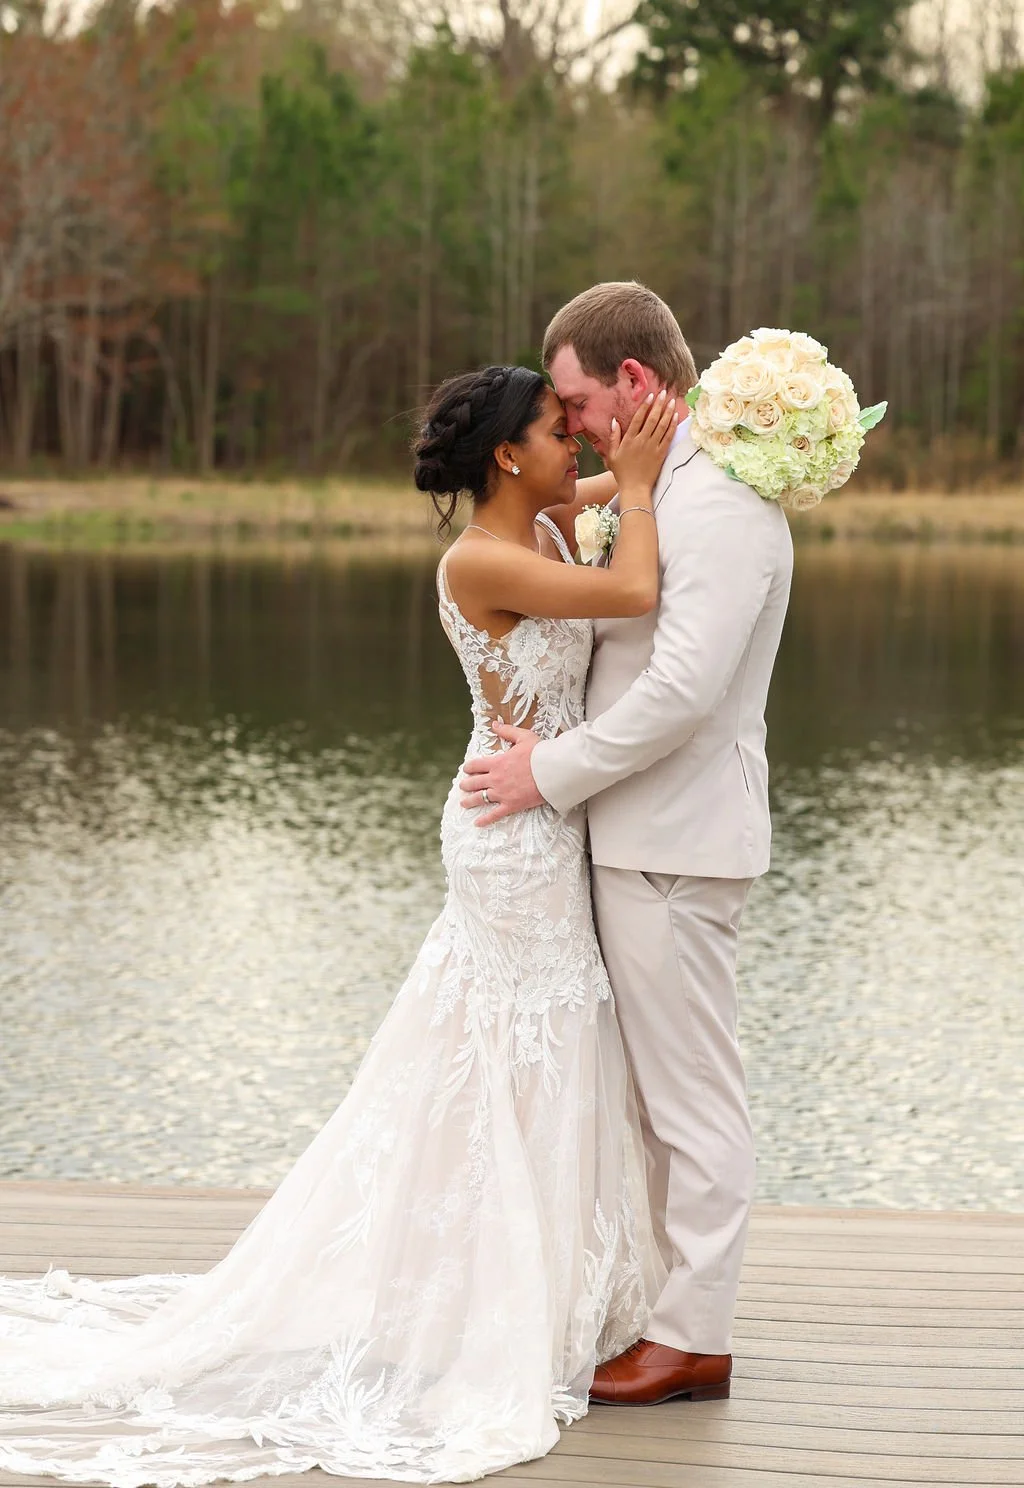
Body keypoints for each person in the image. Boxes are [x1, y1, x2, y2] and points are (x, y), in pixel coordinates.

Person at [0, 367, 679, 1486]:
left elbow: (608, 488)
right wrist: (644, 489)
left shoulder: (547, 521)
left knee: (537, 1054)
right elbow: (639, 589)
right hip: (508, 843)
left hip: (542, 820)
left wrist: (668, 456)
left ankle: (544, 1288)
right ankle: (498, 1306)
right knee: (530, 1053)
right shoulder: (482, 558)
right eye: (559, 433)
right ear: (508, 457)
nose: (577, 448)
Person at [460, 282, 794, 1406]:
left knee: (692, 1098)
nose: (570, 424)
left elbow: (681, 696)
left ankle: (693, 1335)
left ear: (633, 385)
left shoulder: (721, 507)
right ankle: (663, 1311)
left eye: (574, 400)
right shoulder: (669, 487)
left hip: (675, 838)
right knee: (656, 1097)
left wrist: (545, 772)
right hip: (631, 836)